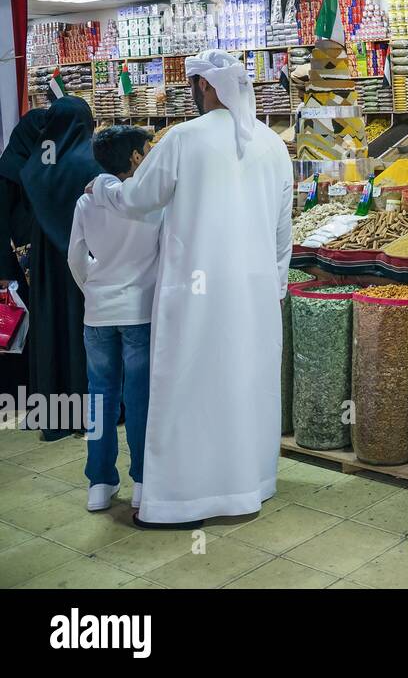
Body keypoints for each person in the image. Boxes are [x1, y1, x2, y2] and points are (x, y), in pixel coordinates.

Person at [88, 50, 293, 527]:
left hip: (197, 294)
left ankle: (184, 498)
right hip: (254, 292)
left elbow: (138, 199)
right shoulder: (272, 144)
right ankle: (248, 484)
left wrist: (102, 190)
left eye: (194, 85)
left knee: (190, 386)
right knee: (244, 385)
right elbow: (284, 230)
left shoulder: (184, 138)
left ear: (206, 87)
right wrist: (275, 285)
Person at [68, 126, 161, 513]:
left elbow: (76, 256)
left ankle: (99, 484)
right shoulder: (153, 203)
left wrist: (92, 288)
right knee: (140, 399)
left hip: (98, 313)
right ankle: (142, 481)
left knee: (100, 397)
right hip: (139, 311)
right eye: (146, 149)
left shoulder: (86, 202)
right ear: (136, 159)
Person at [17, 97, 102, 439]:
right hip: (84, 261)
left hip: (47, 265)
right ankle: (88, 409)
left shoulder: (36, 164)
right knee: (83, 331)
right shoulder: (91, 162)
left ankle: (52, 412)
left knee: (51, 327)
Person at [0, 106, 48, 401]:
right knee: (14, 326)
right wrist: (4, 274)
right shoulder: (7, 171)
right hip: (11, 266)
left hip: (27, 259)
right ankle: (15, 391)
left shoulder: (30, 165)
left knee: (28, 327)